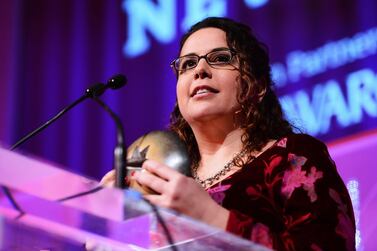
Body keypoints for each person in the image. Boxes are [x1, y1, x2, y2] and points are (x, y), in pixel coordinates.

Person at [102, 17, 355, 250]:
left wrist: (208, 216)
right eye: (188, 64)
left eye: (221, 58)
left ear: (257, 86)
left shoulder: (294, 156)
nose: (200, 70)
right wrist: (105, 230)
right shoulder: (158, 182)